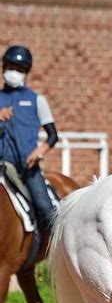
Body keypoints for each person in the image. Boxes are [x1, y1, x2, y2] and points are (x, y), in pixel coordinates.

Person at [0, 45, 58, 234]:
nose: (13, 72)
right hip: (2, 164)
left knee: (45, 207)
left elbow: (53, 135)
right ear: (3, 68)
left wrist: (39, 152)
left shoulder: (36, 100)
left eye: (19, 69)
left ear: (26, 72)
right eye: (10, 67)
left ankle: (54, 250)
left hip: (27, 167)